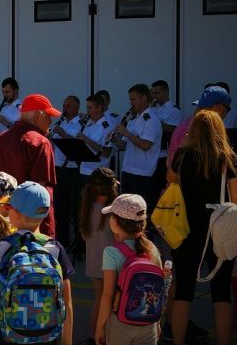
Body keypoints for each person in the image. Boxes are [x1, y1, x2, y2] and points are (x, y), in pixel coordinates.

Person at [167, 110, 237, 345]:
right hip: (220, 228)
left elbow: (170, 179)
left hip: (187, 228)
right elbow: (235, 199)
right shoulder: (228, 158)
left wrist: (184, 145)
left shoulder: (183, 156)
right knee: (222, 292)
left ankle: (178, 340)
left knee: (184, 290)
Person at [0, 181, 74, 345]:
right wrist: (67, 341)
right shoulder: (55, 248)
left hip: (9, 333)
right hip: (47, 333)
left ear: (16, 213)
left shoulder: (2, 246)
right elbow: (67, 301)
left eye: (9, 207)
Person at [0, 93, 61, 237]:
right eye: (48, 116)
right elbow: (40, 189)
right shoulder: (41, 142)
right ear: (38, 116)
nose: (51, 121)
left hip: (1, 223)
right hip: (32, 226)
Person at [95, 194, 161, 345]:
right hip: (148, 322)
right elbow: (159, 290)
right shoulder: (152, 249)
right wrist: (157, 322)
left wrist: (100, 327)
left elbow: (107, 295)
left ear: (115, 223)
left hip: (119, 323)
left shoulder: (111, 252)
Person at [79, 168, 116, 343]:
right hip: (110, 263)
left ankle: (92, 334)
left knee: (99, 298)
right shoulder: (112, 211)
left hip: (94, 261)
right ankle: (100, 335)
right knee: (107, 300)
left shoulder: (88, 206)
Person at [111, 84, 162, 214]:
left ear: (143, 98)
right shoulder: (134, 119)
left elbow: (145, 145)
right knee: (126, 211)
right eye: (130, 99)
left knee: (139, 213)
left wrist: (126, 132)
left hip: (142, 173)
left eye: (133, 99)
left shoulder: (151, 119)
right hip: (128, 170)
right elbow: (125, 146)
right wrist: (113, 140)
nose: (131, 103)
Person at [167, 85, 231, 168]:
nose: (226, 115)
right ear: (219, 108)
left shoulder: (187, 124)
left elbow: (169, 162)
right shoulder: (198, 129)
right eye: (227, 110)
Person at [50, 95, 82, 248]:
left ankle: (78, 242)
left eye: (68, 105)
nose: (65, 108)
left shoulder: (81, 124)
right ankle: (63, 240)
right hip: (58, 167)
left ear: (76, 107)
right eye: (64, 105)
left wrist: (63, 134)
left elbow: (78, 145)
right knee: (60, 206)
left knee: (75, 206)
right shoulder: (60, 122)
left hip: (72, 169)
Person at [149, 80, 182, 203]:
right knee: (150, 187)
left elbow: (172, 128)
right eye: (153, 93)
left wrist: (153, 124)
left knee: (160, 187)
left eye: (157, 93)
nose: (154, 96)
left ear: (166, 92)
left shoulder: (174, 110)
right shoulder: (152, 108)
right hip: (150, 153)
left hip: (163, 154)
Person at [77, 95, 114, 185]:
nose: (87, 111)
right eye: (87, 108)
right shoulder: (88, 124)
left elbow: (106, 153)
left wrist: (85, 139)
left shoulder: (107, 127)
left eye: (90, 108)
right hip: (84, 169)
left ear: (99, 108)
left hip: (97, 173)